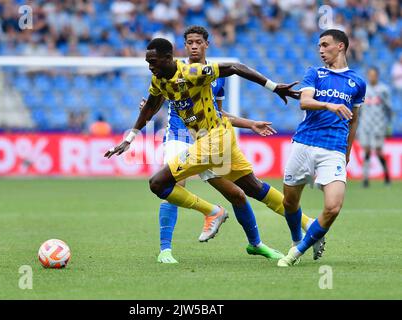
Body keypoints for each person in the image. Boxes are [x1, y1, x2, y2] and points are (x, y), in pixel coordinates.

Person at [105, 37, 301, 262]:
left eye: (198, 41)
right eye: (189, 42)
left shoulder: (202, 74)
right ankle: (166, 249)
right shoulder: (165, 76)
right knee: (187, 183)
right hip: (191, 137)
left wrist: (262, 104)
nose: (194, 45)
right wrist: (131, 137)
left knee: (228, 192)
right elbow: (151, 104)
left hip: (210, 138)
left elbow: (227, 90)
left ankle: (238, 230)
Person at [278, 29, 366, 267]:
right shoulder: (314, 72)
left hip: (334, 148)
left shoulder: (357, 82)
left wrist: (347, 153)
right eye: (318, 46)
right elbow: (304, 102)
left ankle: (296, 252)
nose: (320, 50)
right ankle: (298, 238)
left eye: (325, 45)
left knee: (333, 207)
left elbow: (354, 119)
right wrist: (330, 105)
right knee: (289, 202)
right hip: (304, 143)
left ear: (340, 46)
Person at [358, 67, 392, 187]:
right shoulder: (363, 90)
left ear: (377, 75)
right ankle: (365, 179)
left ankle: (387, 176)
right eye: (370, 75)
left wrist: (388, 125)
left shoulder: (383, 90)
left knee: (378, 152)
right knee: (366, 151)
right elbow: (359, 109)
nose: (372, 77)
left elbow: (389, 109)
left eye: (374, 75)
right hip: (365, 125)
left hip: (378, 125)